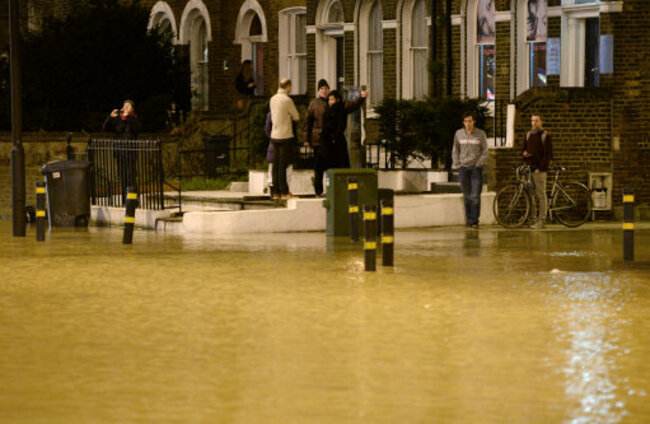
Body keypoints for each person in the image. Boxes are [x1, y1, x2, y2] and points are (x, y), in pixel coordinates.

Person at [303, 79, 366, 196]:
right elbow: (308, 122)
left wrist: (361, 98)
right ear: (318, 91)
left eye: (326, 88)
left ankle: (332, 190)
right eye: (321, 89)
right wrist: (306, 139)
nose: (324, 91)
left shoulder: (336, 102)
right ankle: (318, 191)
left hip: (332, 141)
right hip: (319, 140)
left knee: (332, 166)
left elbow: (351, 105)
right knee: (318, 168)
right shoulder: (314, 104)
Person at [452, 112, 488, 229]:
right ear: (463, 122)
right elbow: (455, 150)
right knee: (466, 195)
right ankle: (469, 219)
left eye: (470, 121)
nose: (468, 124)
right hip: (463, 168)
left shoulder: (480, 134)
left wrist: (479, 164)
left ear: (474, 122)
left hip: (475, 168)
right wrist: (457, 164)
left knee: (475, 195)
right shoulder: (458, 134)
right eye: (466, 121)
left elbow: (485, 151)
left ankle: (475, 220)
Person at [103, 100, 142, 205]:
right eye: (124, 105)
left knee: (131, 177)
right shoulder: (118, 120)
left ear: (132, 109)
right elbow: (105, 128)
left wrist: (128, 116)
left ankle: (133, 200)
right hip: (120, 153)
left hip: (130, 153)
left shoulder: (134, 119)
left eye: (128, 106)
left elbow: (138, 128)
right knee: (123, 177)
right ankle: (125, 200)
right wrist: (111, 117)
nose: (125, 107)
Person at [269, 78, 300, 199]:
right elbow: (296, 116)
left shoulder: (272, 99)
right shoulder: (287, 100)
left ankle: (275, 191)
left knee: (275, 165)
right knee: (283, 165)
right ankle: (284, 192)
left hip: (274, 135)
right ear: (288, 86)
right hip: (285, 135)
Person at [523, 113, 553, 229]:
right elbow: (524, 149)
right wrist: (524, 155)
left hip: (539, 170)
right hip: (529, 169)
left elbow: (547, 154)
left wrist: (540, 168)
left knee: (541, 195)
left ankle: (542, 221)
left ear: (541, 122)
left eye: (536, 121)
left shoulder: (545, 135)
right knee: (530, 194)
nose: (534, 123)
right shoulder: (528, 134)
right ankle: (533, 218)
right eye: (532, 121)